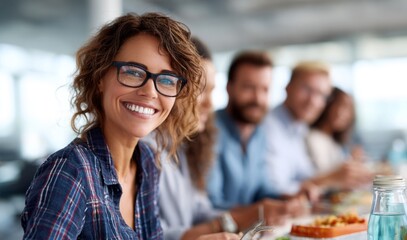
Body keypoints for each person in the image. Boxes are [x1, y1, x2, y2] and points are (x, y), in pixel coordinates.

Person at [21, 12, 207, 239]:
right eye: (133, 72)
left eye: (167, 79)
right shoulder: (70, 170)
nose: (150, 91)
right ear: (100, 77)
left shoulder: (147, 161)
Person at [158, 39, 270, 240]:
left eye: (211, 91)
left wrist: (237, 221)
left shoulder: (180, 146)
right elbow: (155, 235)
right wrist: (245, 217)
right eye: (200, 90)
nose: (210, 105)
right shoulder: (146, 149)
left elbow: (201, 209)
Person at [206, 51, 307, 227]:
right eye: (248, 87)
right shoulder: (208, 130)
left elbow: (261, 189)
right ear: (229, 87)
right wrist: (258, 211)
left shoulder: (259, 132)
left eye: (264, 89)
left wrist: (286, 199)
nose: (258, 98)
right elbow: (211, 203)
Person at [264, 61, 371, 202]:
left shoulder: (299, 127)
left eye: (321, 94)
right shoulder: (269, 127)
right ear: (288, 87)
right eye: (306, 89)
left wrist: (339, 177)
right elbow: (276, 190)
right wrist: (330, 179)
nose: (313, 101)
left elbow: (305, 176)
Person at [306, 87, 372, 187]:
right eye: (339, 106)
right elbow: (323, 177)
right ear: (327, 105)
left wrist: (353, 163)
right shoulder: (313, 137)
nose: (342, 114)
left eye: (348, 110)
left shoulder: (332, 141)